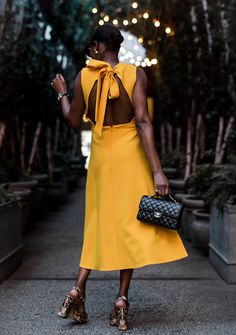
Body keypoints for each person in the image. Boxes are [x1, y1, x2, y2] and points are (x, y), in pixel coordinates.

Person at [51, 23, 188, 332]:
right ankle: (121, 301)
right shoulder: (136, 74)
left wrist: (61, 94)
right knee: (130, 224)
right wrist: (157, 169)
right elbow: (142, 121)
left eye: (92, 47)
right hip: (130, 157)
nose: (91, 52)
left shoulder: (83, 77)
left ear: (100, 47)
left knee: (97, 222)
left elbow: (73, 119)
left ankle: (77, 290)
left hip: (101, 158)